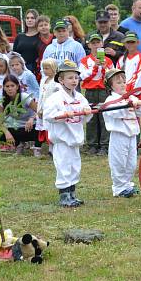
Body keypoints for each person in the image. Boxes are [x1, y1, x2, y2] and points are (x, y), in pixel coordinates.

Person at [43, 60, 93, 208]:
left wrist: (86, 112)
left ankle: (72, 194)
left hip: (75, 139)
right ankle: (64, 195)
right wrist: (63, 114)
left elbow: (85, 114)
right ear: (61, 79)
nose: (74, 81)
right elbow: (49, 115)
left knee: (74, 167)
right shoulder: (55, 98)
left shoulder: (79, 97)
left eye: (76, 78)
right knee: (64, 167)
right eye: (70, 78)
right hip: (62, 140)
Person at [102, 68, 141, 198]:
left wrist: (138, 105)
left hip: (132, 135)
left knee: (131, 162)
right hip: (119, 134)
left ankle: (127, 185)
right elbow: (112, 112)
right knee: (118, 161)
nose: (122, 84)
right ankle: (118, 187)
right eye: (118, 82)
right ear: (110, 86)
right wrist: (129, 106)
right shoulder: (110, 100)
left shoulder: (131, 96)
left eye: (123, 81)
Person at [80, 33, 114, 155]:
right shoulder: (85, 61)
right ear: (89, 45)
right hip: (90, 92)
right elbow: (82, 76)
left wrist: (105, 68)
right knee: (91, 118)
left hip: (104, 91)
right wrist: (94, 67)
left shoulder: (108, 60)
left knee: (104, 118)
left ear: (102, 44)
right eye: (93, 43)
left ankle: (105, 145)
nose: (95, 45)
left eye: (98, 43)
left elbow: (112, 78)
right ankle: (92, 145)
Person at [0, 75, 39, 155]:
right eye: (7, 86)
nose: (10, 88)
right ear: (4, 88)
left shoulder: (25, 97)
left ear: (17, 87)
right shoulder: (2, 101)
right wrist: (7, 133)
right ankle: (19, 145)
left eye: (12, 86)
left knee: (39, 127)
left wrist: (31, 118)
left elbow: (40, 112)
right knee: (1, 131)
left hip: (30, 126)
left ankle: (36, 147)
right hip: (16, 127)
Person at [35, 58, 59, 157]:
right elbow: (41, 94)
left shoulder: (56, 81)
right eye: (44, 68)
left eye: (47, 68)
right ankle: (39, 147)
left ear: (53, 68)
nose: (45, 70)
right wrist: (39, 108)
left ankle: (52, 149)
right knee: (42, 128)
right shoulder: (43, 80)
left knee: (51, 128)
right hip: (42, 106)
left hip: (51, 108)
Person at [117, 31, 141, 99]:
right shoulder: (121, 59)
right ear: (124, 43)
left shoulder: (140, 59)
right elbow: (117, 77)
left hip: (135, 96)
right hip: (121, 95)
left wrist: (130, 93)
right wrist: (121, 92)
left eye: (132, 42)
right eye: (128, 42)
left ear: (138, 42)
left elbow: (140, 80)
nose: (130, 44)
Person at [12, 9, 41, 74]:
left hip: (35, 70)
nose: (29, 20)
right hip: (20, 70)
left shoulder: (41, 36)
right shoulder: (19, 36)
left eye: (32, 18)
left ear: (37, 20)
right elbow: (14, 55)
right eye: (27, 18)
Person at [35, 15, 53, 80]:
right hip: (41, 69)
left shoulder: (56, 39)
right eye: (41, 25)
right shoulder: (36, 40)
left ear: (50, 26)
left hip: (54, 68)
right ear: (37, 28)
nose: (43, 27)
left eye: (46, 25)